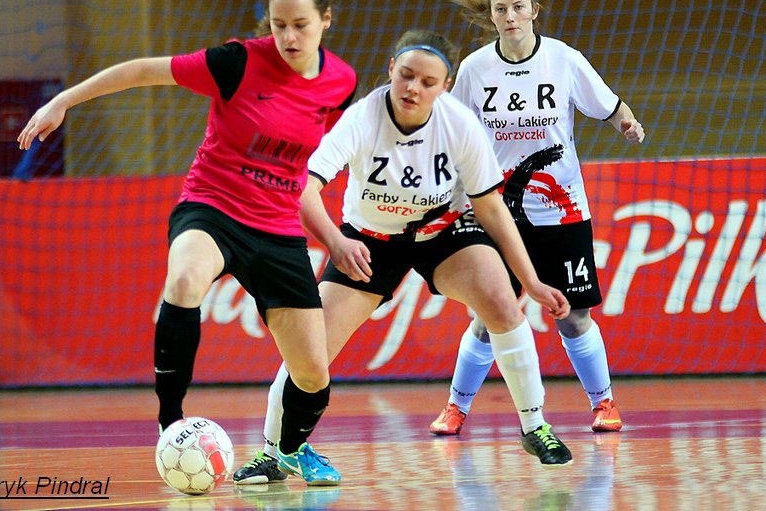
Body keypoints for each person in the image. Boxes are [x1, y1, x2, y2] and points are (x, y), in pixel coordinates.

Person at [17, 0, 357, 486]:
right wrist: (62, 101)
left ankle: (288, 450)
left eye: (301, 25)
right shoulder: (237, 61)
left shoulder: (342, 83)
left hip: (276, 225)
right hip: (212, 206)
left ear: (326, 21)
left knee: (313, 374)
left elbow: (312, 170)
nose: (288, 36)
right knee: (183, 281)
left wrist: (332, 233)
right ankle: (170, 422)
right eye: (279, 22)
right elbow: (139, 71)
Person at [233, 28, 574, 486]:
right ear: (391, 68)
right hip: (367, 241)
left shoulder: (460, 125)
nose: (414, 88)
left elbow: (491, 207)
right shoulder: (360, 119)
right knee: (308, 350)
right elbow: (304, 189)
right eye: (407, 75)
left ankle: (535, 427)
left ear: (446, 85)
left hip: (442, 230)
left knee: (501, 300)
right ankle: (275, 452)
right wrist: (336, 242)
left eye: (428, 82)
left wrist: (530, 281)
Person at [428, 0, 645, 437]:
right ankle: (455, 407)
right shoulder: (474, 68)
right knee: (490, 318)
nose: (510, 16)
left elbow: (609, 105)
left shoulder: (563, 60)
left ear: (534, 11)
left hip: (562, 209)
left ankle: (603, 403)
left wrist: (627, 124)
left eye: (518, 7)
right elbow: (453, 129)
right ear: (491, 16)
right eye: (501, 9)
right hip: (496, 211)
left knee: (575, 317)